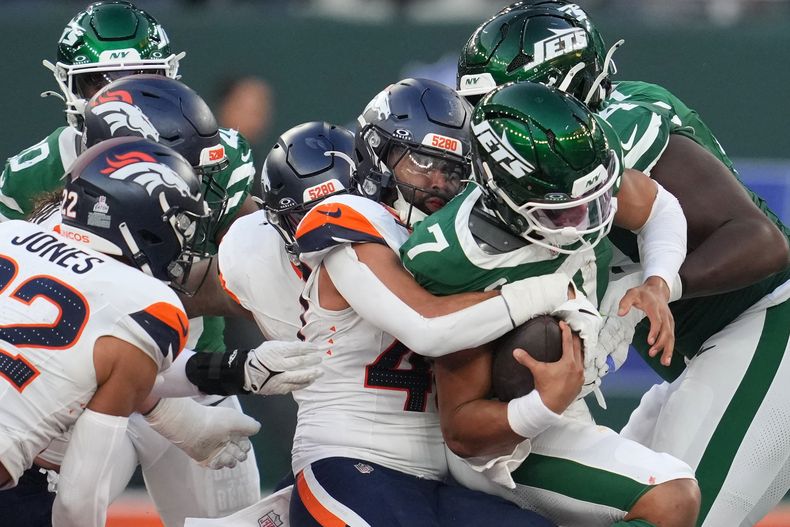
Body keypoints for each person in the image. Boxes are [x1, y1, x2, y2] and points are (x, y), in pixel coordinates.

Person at [457, 2, 790, 525]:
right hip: (708, 352)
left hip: (770, 322)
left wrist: (656, 289)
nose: (491, 123)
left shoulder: (624, 126)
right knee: (628, 509)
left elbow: (760, 240)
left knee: (677, 514)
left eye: (505, 103)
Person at [399, 81, 699, 527]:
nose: (588, 220)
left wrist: (659, 282)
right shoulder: (457, 258)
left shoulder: (579, 164)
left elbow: (658, 206)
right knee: (672, 497)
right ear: (502, 196)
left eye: (595, 201)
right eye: (561, 211)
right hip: (507, 443)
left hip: (568, 397)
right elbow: (462, 430)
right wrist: (544, 403)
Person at [284, 78, 578, 527]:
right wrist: (549, 290)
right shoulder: (347, 216)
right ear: (375, 153)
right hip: (349, 460)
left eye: (454, 170)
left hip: (441, 481)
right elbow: (427, 327)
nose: (438, 183)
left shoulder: (450, 248)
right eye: (422, 161)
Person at [19, 73, 264, 527]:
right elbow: (124, 354)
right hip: (86, 403)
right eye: (178, 164)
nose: (199, 186)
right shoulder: (140, 297)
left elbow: (255, 265)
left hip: (168, 383)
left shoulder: (24, 232)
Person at [0, 136, 227, 527]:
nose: (185, 237)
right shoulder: (147, 305)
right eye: (181, 222)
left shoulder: (11, 236)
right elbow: (77, 502)